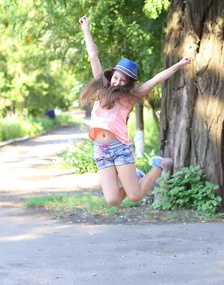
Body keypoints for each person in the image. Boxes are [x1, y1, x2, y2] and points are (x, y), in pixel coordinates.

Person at [78, 15, 190, 206]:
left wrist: (178, 65)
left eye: (123, 81)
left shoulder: (129, 98)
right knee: (113, 200)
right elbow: (93, 56)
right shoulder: (100, 88)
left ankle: (159, 166)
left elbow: (156, 79)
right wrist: (86, 29)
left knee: (136, 196)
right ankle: (137, 177)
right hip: (101, 150)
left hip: (119, 148)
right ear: (112, 75)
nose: (117, 82)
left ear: (128, 83)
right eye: (116, 78)